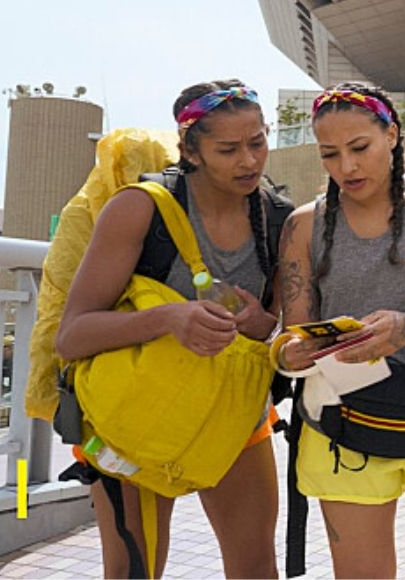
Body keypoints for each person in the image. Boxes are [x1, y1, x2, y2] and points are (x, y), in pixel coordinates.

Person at [55, 80, 285, 578]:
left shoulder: (278, 219)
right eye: (228, 149)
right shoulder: (140, 209)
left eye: (258, 142)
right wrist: (167, 318)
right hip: (133, 419)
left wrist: (262, 323)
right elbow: (71, 335)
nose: (249, 161)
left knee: (256, 569)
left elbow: (280, 329)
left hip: (235, 420)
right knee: (132, 571)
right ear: (190, 151)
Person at [273, 83, 405, 578]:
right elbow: (293, 336)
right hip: (340, 424)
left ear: (391, 134)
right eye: (329, 154)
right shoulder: (304, 226)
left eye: (359, 148)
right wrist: (290, 355)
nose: (346, 167)